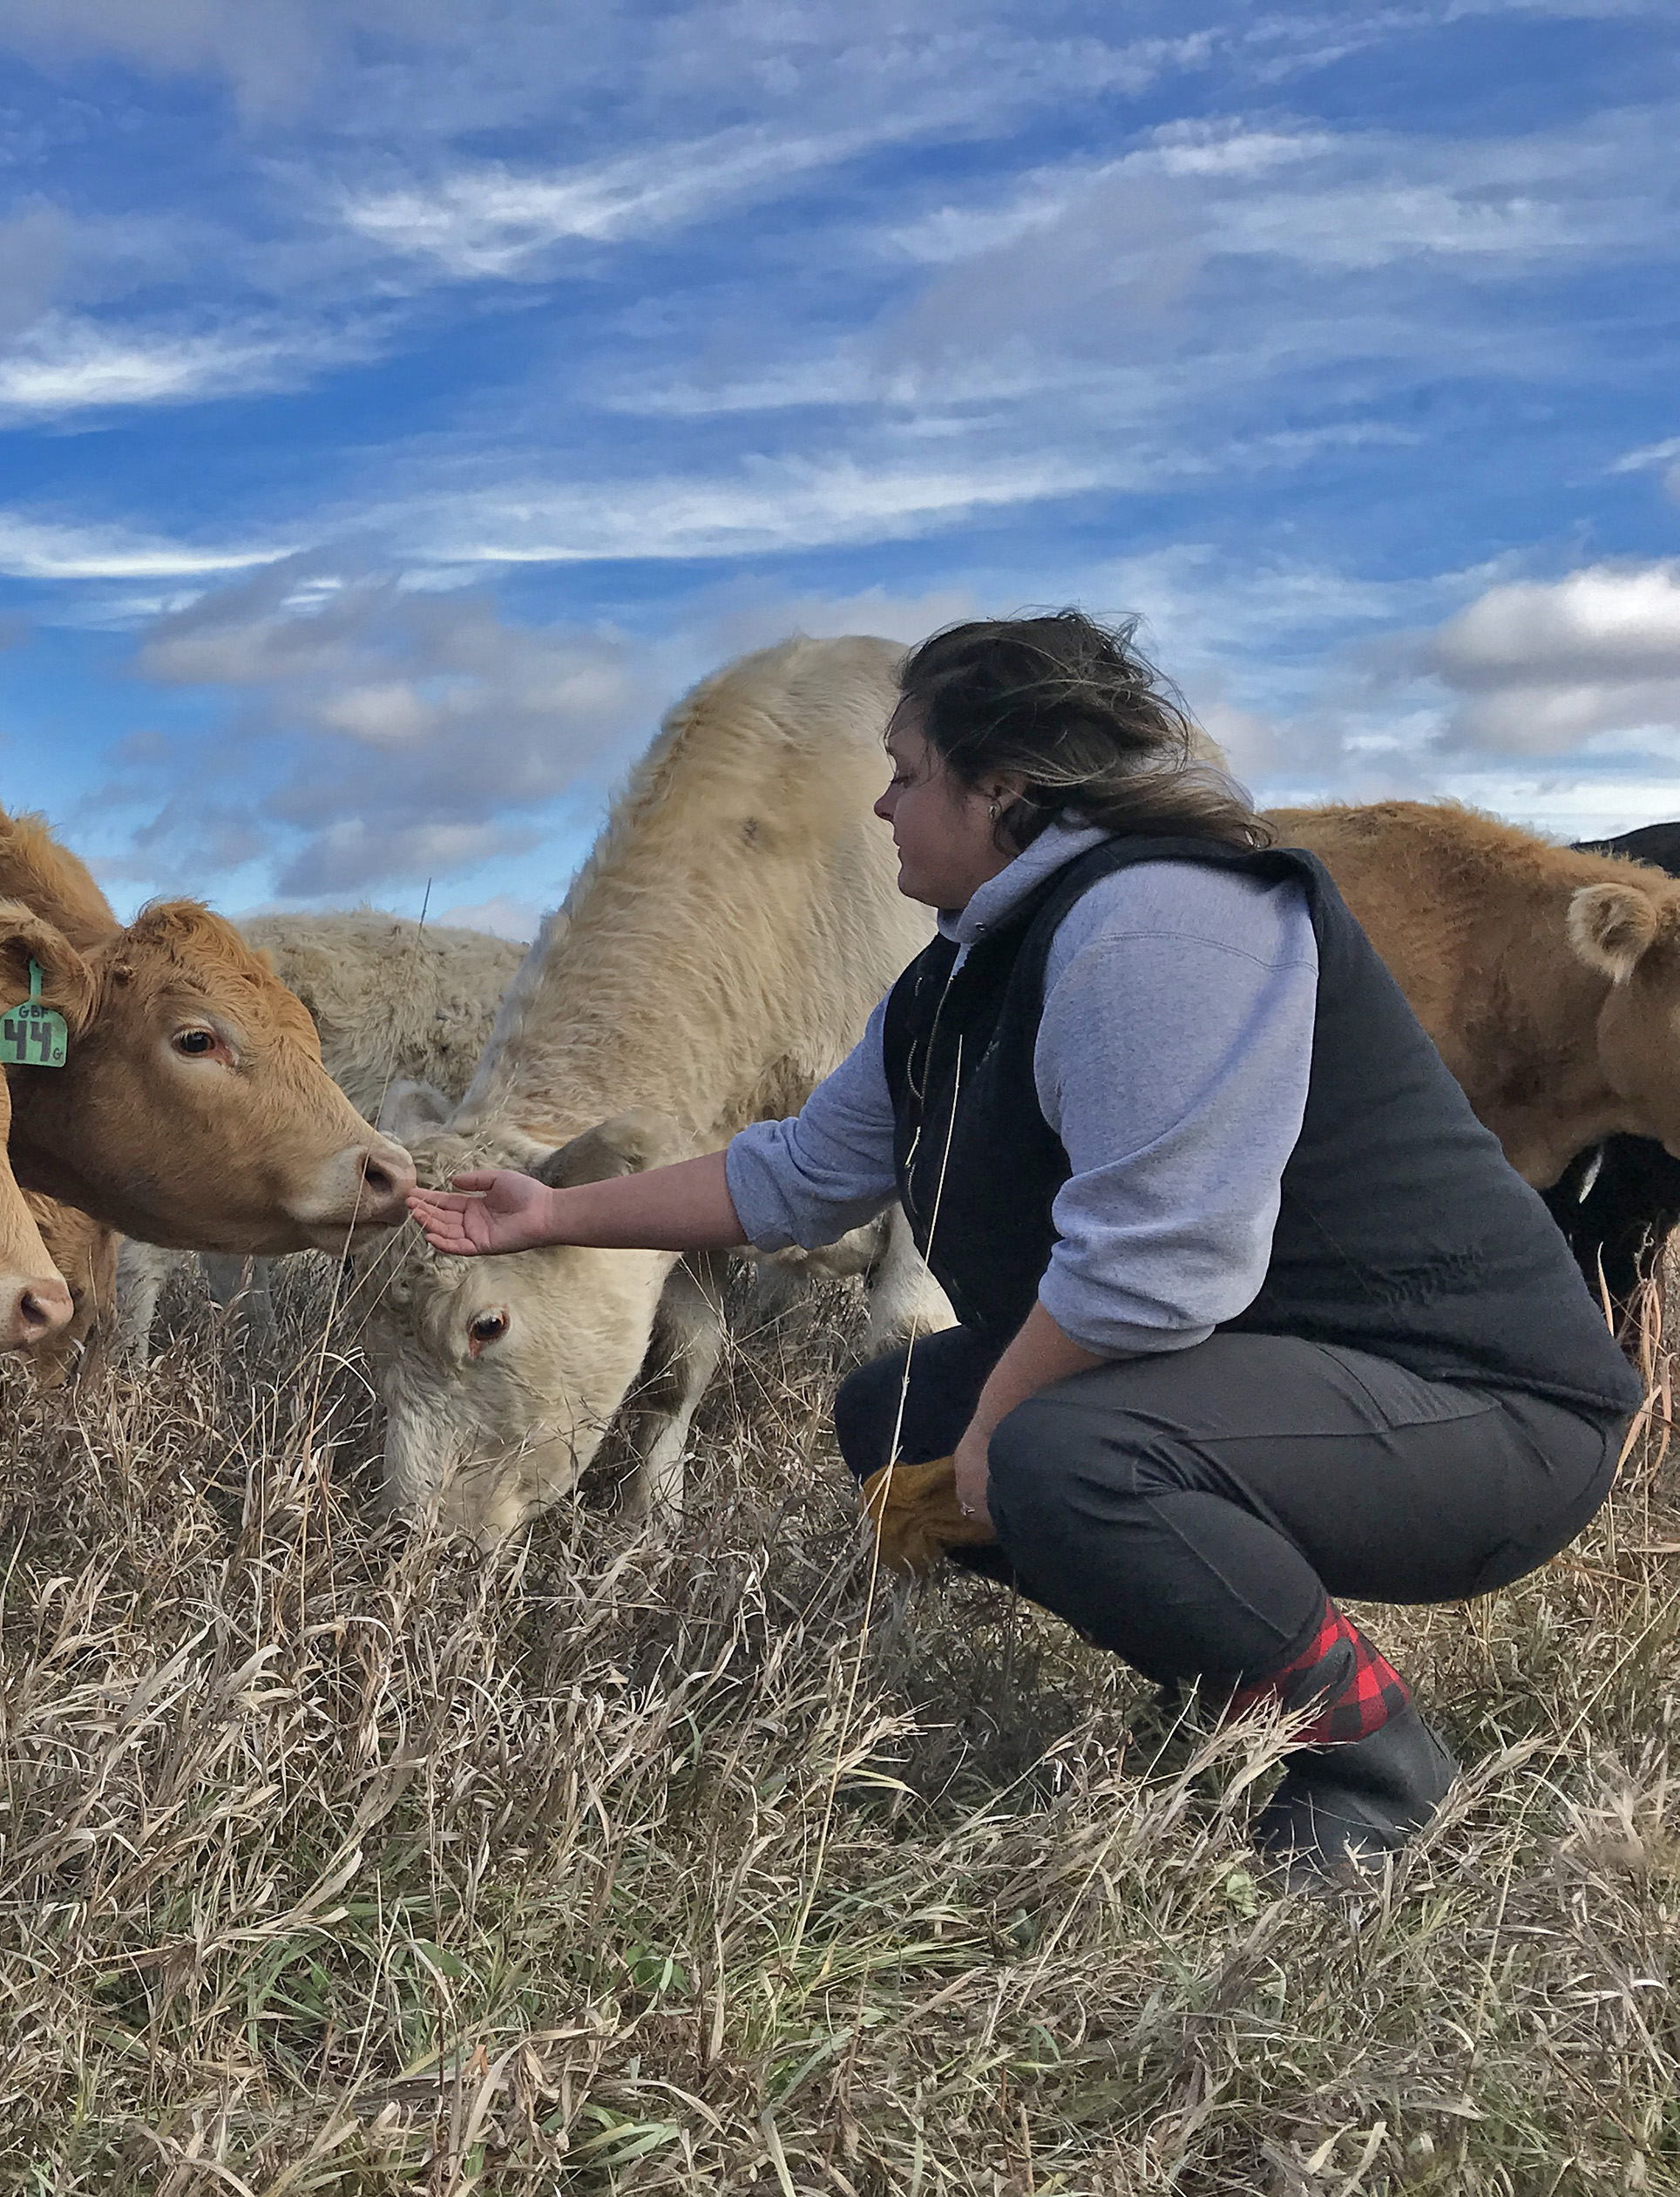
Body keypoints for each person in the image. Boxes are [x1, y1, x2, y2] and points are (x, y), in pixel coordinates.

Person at [410, 614, 1639, 1879]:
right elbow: (800, 1174)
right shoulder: (964, 970)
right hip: (1289, 1374)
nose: (880, 806)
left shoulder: (1164, 918)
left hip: (1480, 1414)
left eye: (904, 773)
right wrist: (551, 1214)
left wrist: (1002, 1425)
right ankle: (1235, 1679)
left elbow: (1162, 1264)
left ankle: (1363, 1761)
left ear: (1002, 788)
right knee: (900, 1415)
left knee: (1056, 1454)